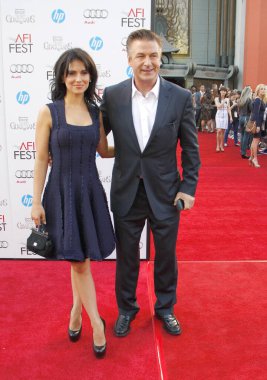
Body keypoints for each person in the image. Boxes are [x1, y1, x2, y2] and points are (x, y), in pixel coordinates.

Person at [100, 29, 200, 337]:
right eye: (141, 55)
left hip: (168, 193)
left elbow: (192, 149)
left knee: (166, 256)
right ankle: (127, 309)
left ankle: (165, 307)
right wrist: (57, 150)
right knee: (127, 258)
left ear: (160, 59)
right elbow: (93, 136)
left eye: (153, 55)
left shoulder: (180, 97)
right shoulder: (113, 95)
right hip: (127, 191)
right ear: (129, 59)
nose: (147, 62)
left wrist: (188, 187)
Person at [31, 48, 115, 358]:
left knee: (79, 258)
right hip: (61, 194)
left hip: (90, 191)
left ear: (91, 76)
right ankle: (97, 324)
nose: (78, 78)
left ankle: (76, 312)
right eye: (72, 73)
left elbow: (105, 151)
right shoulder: (49, 112)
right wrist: (36, 201)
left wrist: (140, 149)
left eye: (84, 73)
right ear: (62, 77)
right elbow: (41, 158)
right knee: (79, 262)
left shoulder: (96, 113)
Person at [249, 84, 266, 168]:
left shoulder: (259, 99)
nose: (263, 90)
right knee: (256, 141)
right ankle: (254, 159)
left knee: (254, 141)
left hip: (258, 123)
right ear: (258, 90)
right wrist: (258, 125)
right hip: (257, 123)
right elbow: (256, 114)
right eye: (261, 89)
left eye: (264, 89)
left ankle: (251, 157)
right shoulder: (258, 100)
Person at [215, 86, 232, 152]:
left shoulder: (227, 99)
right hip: (219, 115)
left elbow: (229, 108)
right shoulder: (216, 98)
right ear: (220, 91)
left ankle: (221, 145)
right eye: (222, 91)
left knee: (223, 131)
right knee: (218, 130)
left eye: (225, 91)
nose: (223, 92)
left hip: (225, 115)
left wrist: (230, 117)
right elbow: (218, 106)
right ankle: (217, 145)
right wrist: (223, 101)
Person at [238, 86, 252, 159]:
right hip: (247, 118)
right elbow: (251, 110)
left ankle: (242, 151)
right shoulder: (249, 99)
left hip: (241, 117)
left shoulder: (241, 99)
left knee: (243, 135)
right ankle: (243, 152)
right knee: (246, 136)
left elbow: (239, 110)